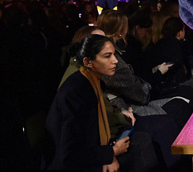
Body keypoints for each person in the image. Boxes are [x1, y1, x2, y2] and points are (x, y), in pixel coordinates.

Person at [47, 34, 160, 172]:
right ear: (88, 61)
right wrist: (110, 154)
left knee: (142, 138)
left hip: (92, 153)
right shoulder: (76, 92)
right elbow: (69, 154)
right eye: (107, 56)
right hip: (75, 164)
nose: (115, 61)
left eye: (114, 55)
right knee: (142, 145)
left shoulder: (91, 80)